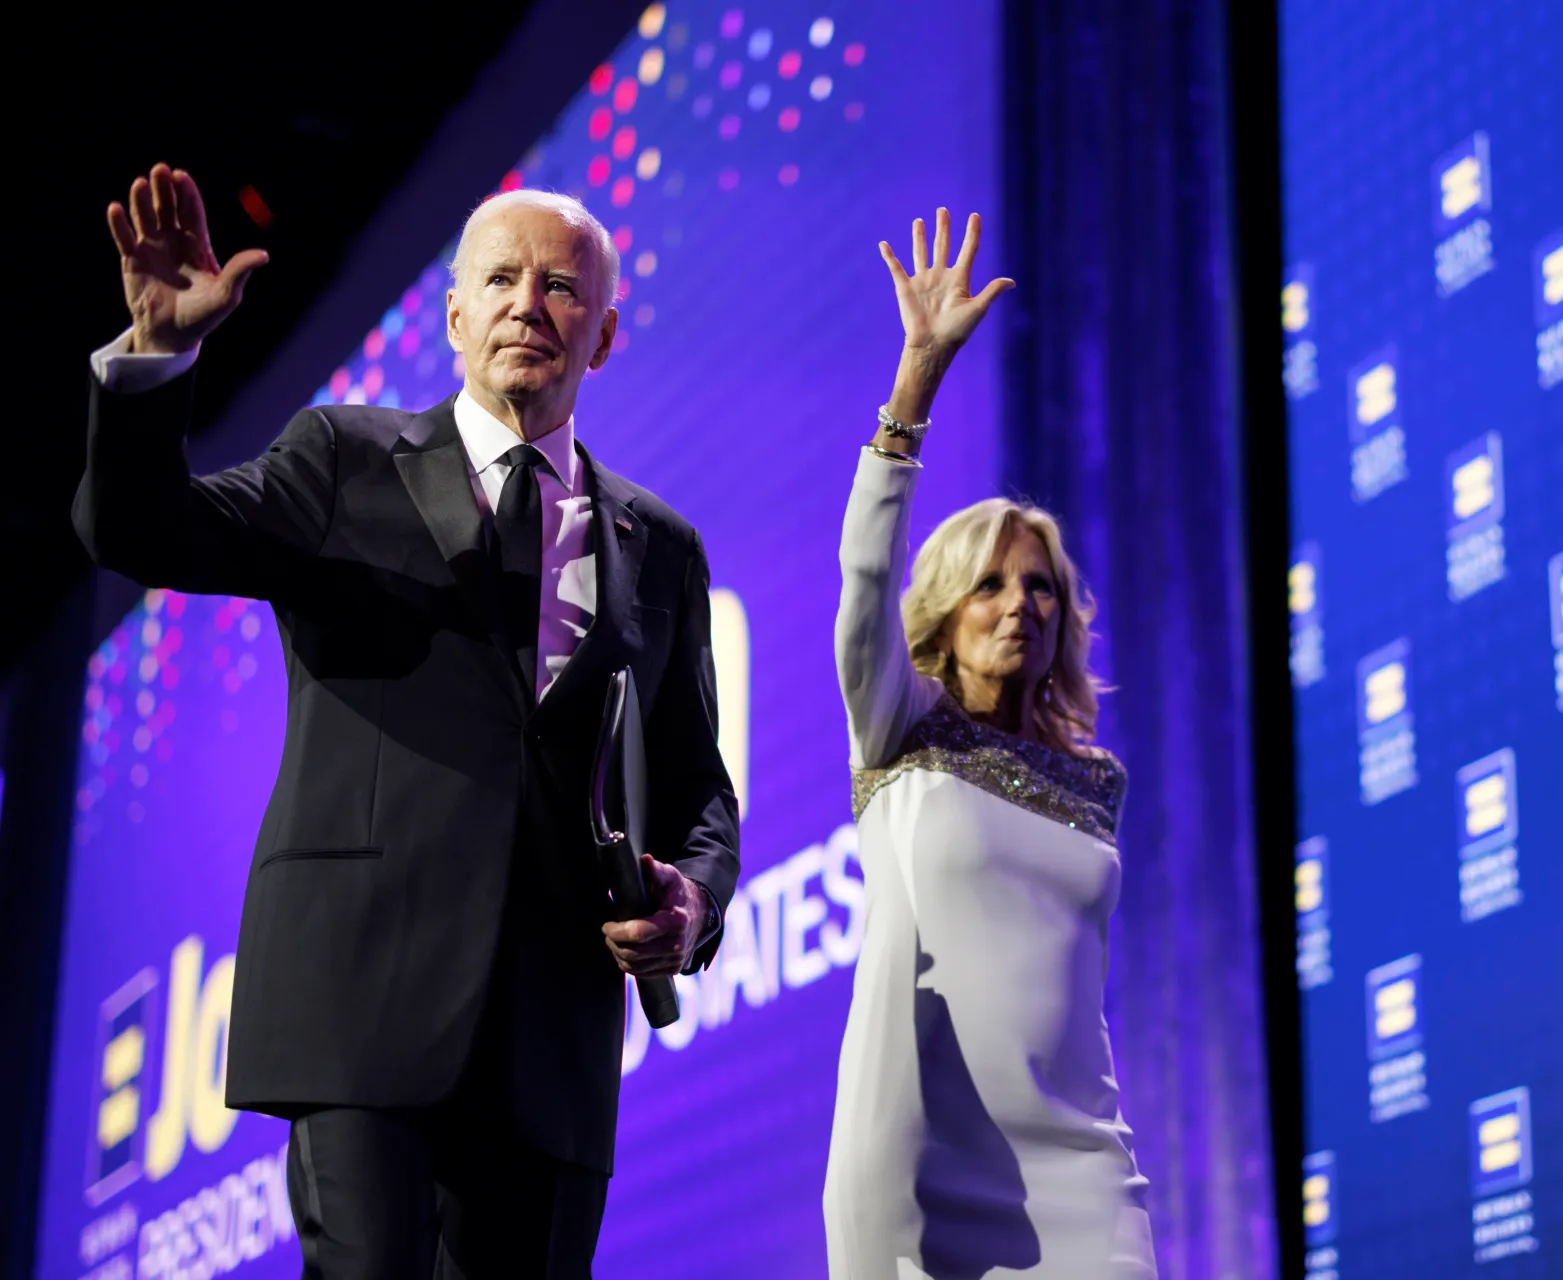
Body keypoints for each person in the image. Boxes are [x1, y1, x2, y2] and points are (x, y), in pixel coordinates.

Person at [75, 164, 740, 1278]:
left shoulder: (658, 542)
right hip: (360, 994)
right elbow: (146, 531)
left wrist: (696, 896)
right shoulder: (344, 459)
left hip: (552, 1035)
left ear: (606, 333)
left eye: (562, 288)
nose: (530, 304)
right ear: (456, 315)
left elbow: (697, 785)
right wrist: (156, 358)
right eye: (502, 280)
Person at [823, 208, 1156, 1278]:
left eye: (1043, 587)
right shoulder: (901, 725)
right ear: (945, 610)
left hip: (1084, 1169)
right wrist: (917, 378)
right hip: (922, 1158)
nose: (1021, 606)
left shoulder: (1095, 780)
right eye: (992, 585)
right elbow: (865, 582)